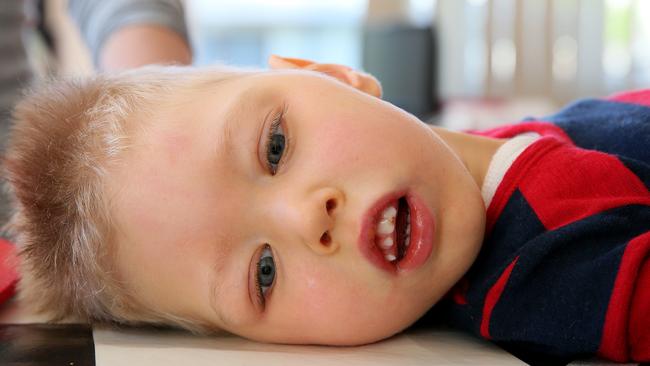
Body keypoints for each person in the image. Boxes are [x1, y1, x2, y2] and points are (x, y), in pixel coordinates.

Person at [1, 55, 648, 363]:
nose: (307, 219)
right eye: (263, 274)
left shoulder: (520, 144)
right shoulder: (550, 276)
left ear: (332, 74)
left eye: (276, 147)